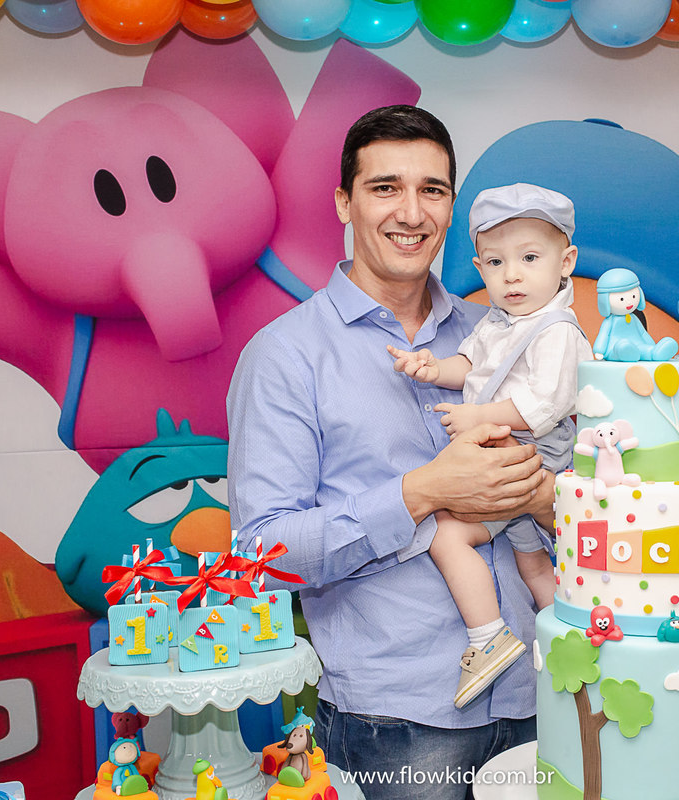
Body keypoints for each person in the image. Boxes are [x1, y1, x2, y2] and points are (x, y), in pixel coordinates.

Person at [227, 105, 551, 800]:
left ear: (452, 207)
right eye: (385, 188)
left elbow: (571, 487)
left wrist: (545, 493)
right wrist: (421, 492)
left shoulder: (501, 333)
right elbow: (260, 554)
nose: (411, 212)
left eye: (432, 190)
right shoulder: (286, 355)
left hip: (542, 693)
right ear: (344, 202)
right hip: (398, 722)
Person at [388, 183, 591, 709]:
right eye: (496, 263)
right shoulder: (498, 323)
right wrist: (432, 368)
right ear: (480, 267)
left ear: (566, 262)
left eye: (529, 258)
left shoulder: (557, 331)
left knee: (446, 534)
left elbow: (544, 404)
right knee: (532, 565)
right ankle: (570, 641)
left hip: (532, 451)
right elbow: (470, 366)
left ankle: (488, 636)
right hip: (504, 449)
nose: (512, 275)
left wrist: (478, 416)